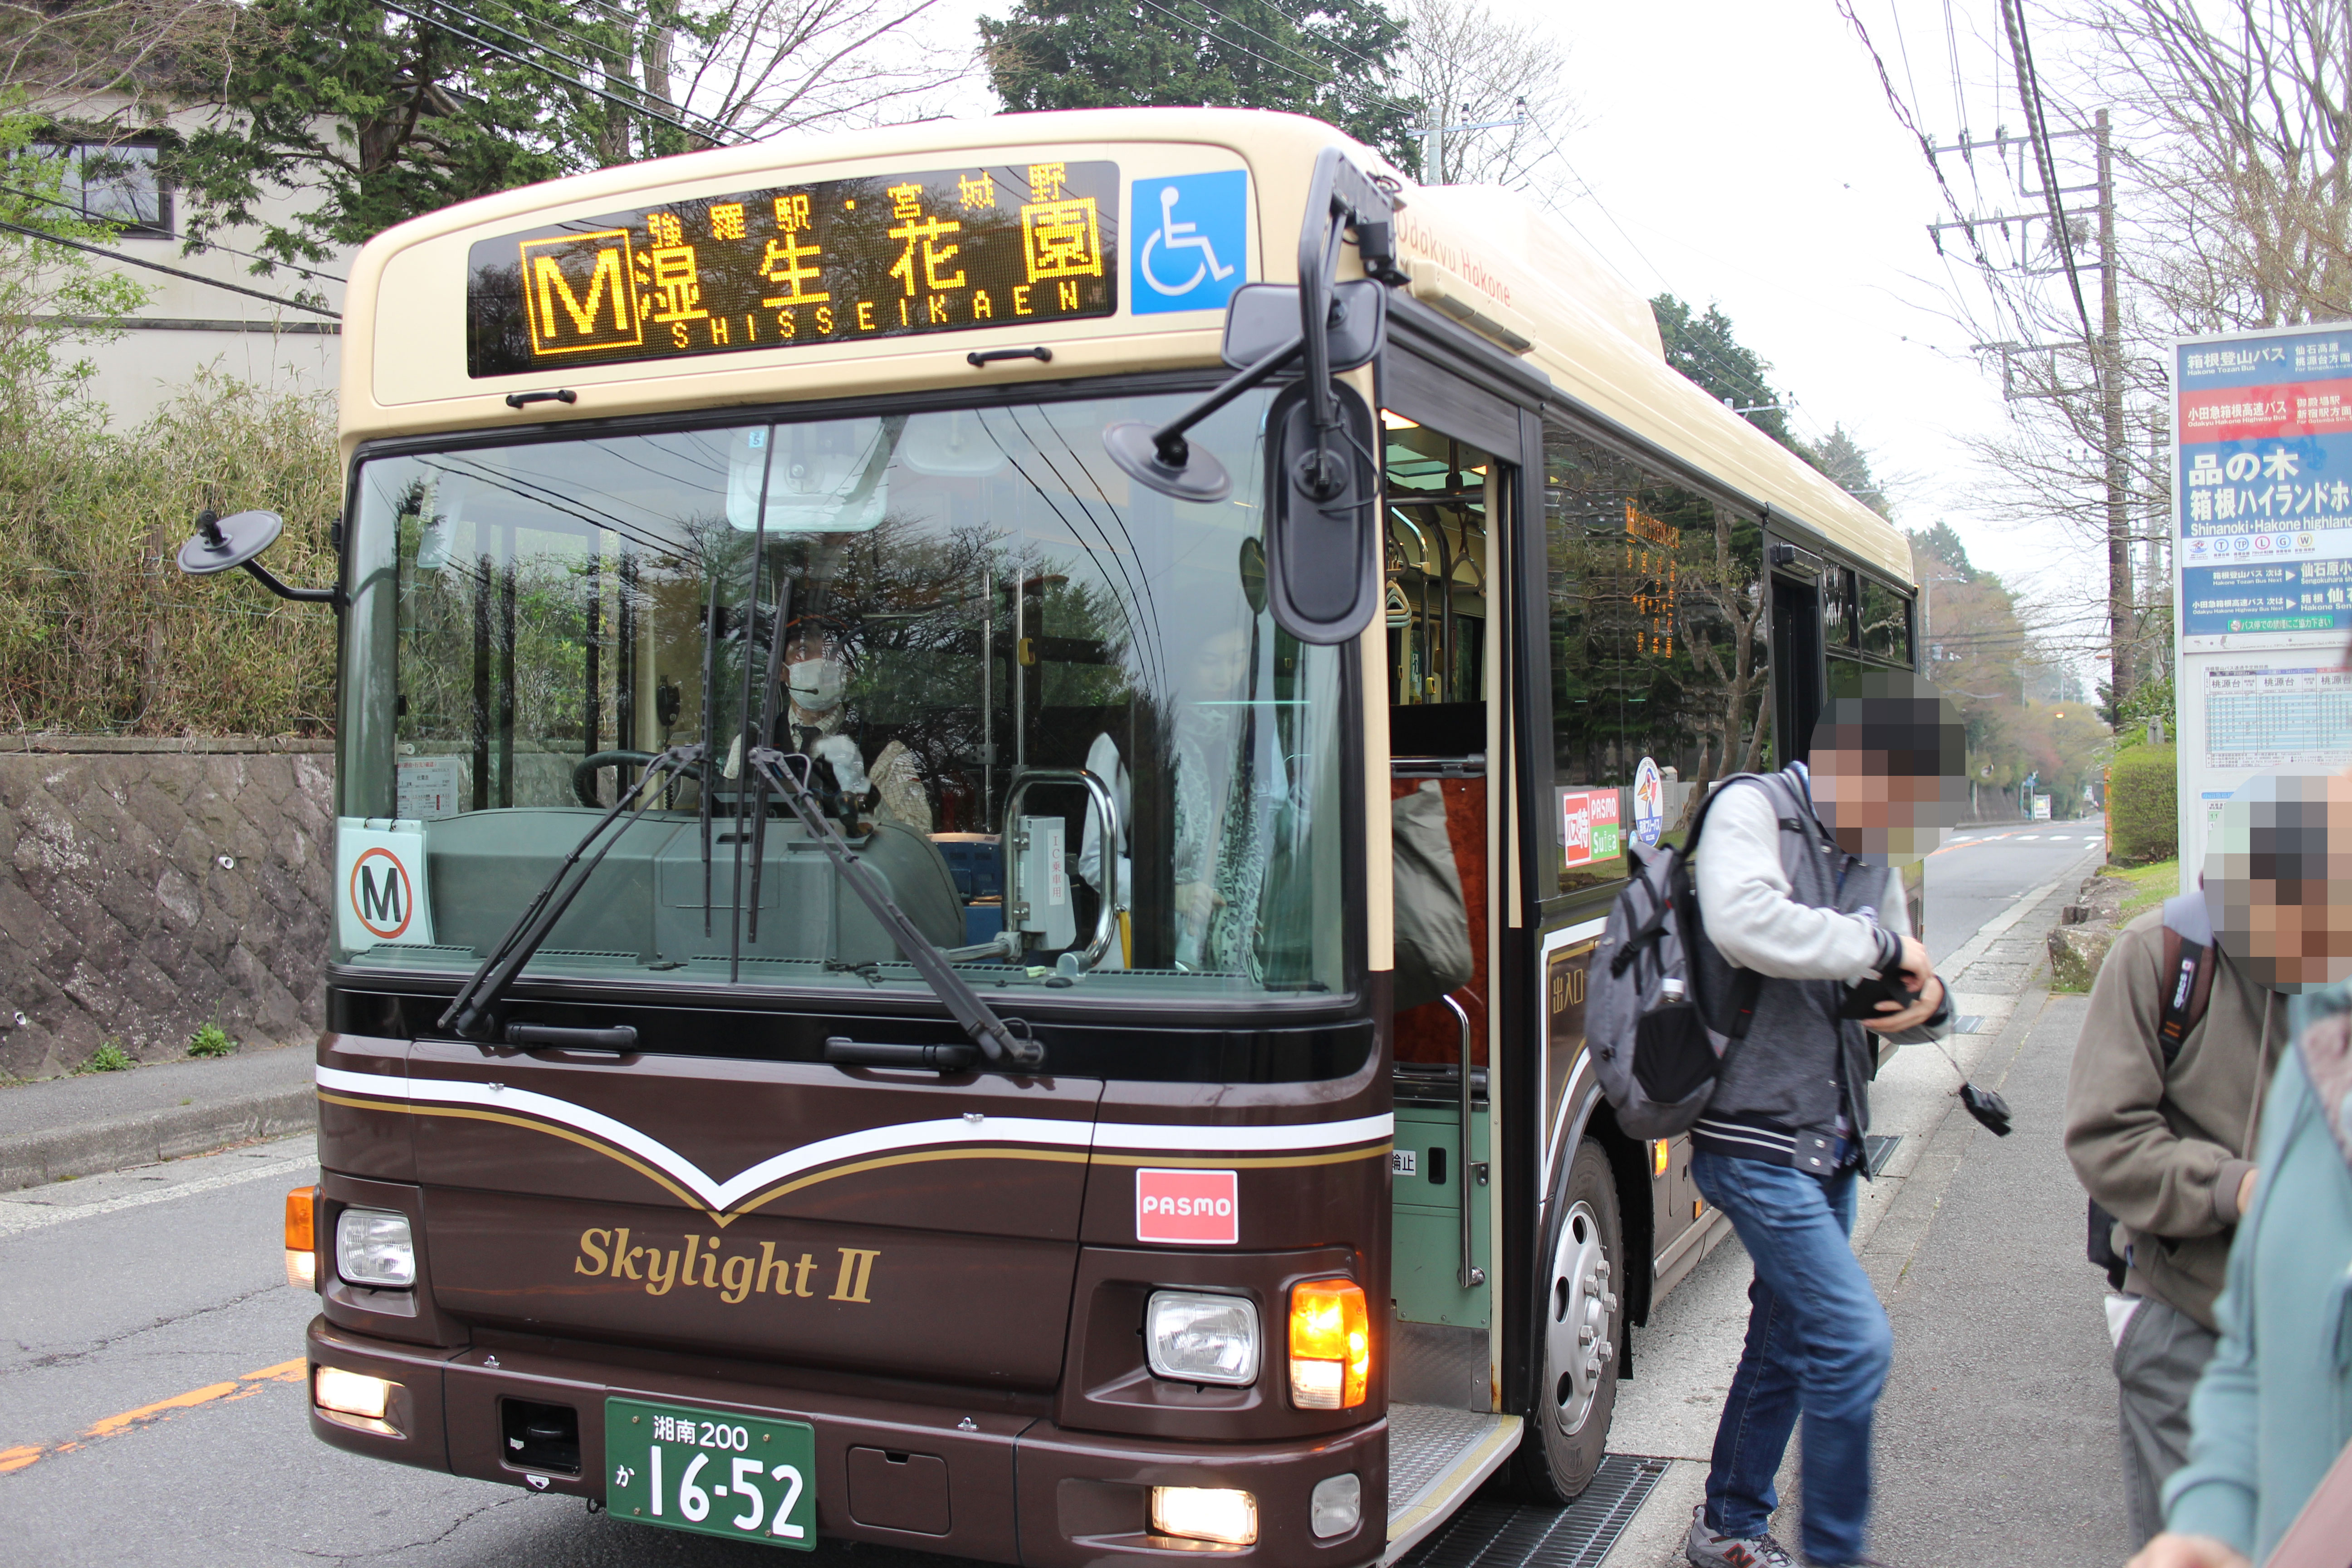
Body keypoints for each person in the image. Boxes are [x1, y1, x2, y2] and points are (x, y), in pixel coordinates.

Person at [1683, 678, 1962, 1568]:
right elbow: (1745, 923)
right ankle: (1834, 1554)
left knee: (1793, 1336)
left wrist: (1930, 997)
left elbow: (1894, 975)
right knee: (1851, 1338)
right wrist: (1885, 951)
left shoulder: (1868, 847)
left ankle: (1728, 1522)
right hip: (1749, 1135)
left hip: (1828, 1139)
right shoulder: (1750, 809)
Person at [2068, 774, 2339, 1549]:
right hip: (2188, 1308)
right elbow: (2105, 1136)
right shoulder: (2161, 960)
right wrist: (2233, 1188)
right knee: (2199, 1534)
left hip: (2322, 1326)